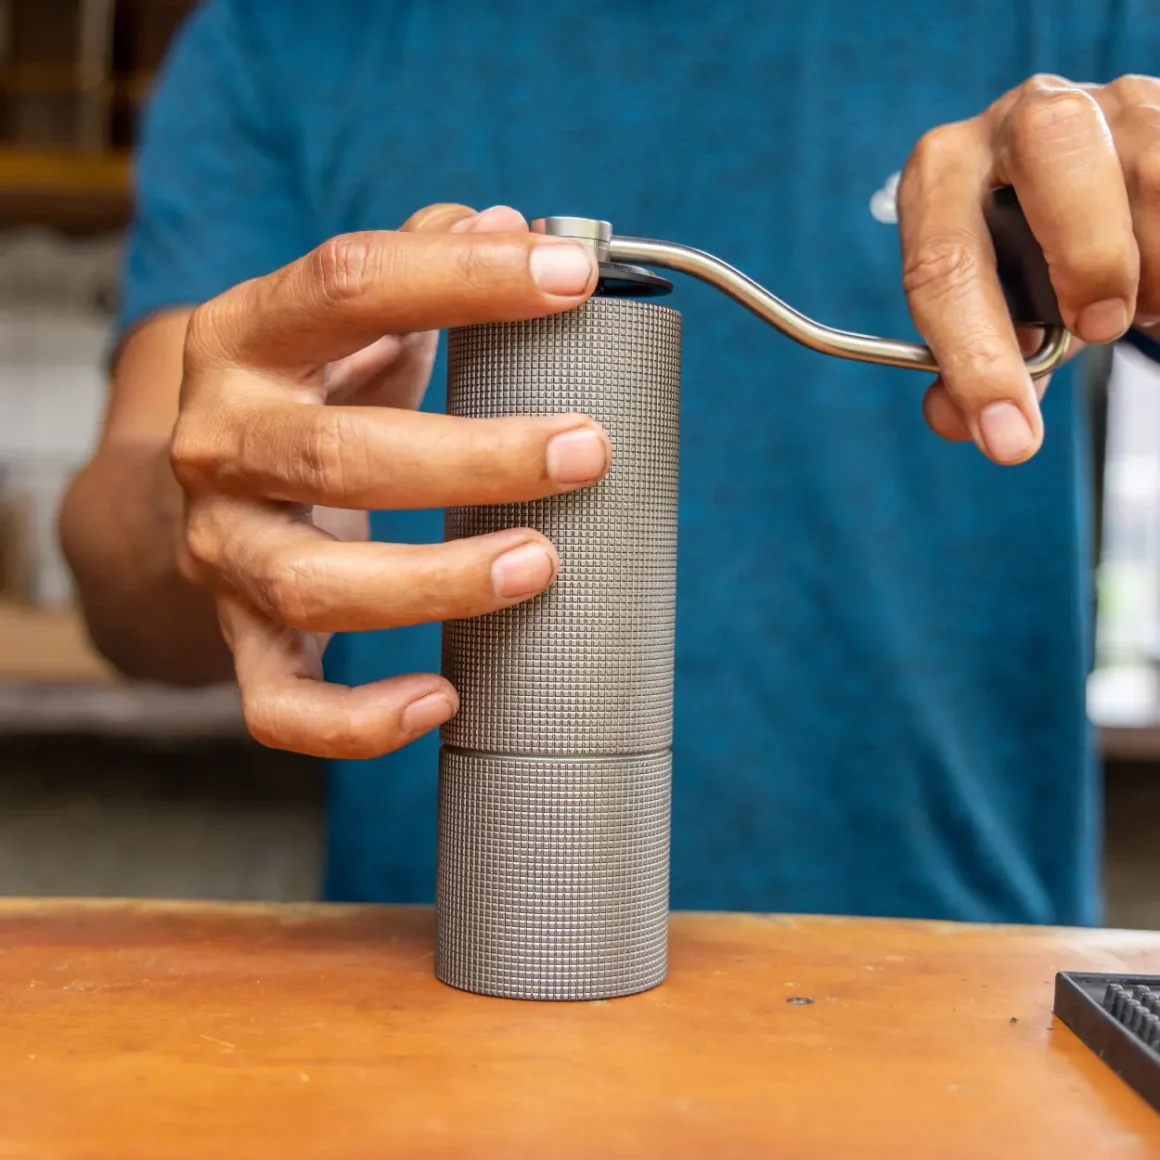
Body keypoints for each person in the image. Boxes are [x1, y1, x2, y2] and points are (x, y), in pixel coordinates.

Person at [59, 0, 1160, 924]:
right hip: (448, 1001)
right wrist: (238, 506)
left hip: (962, 1005)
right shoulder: (281, 34)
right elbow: (126, 569)